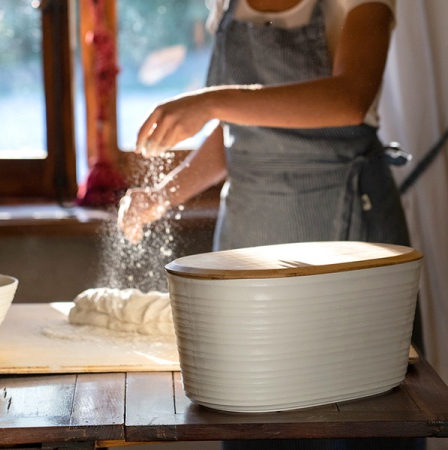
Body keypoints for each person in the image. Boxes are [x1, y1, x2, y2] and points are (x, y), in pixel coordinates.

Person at [118, 1, 424, 448]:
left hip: (348, 238)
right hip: (251, 238)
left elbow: (351, 97)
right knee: (251, 414)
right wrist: (161, 196)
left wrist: (210, 101)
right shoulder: (226, 6)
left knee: (358, 415)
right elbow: (240, 132)